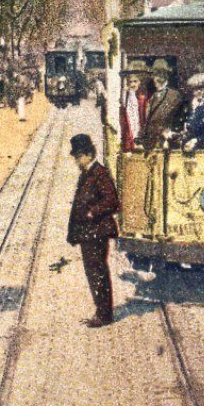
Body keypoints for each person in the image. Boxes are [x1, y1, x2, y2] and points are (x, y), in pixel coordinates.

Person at [66, 133, 120, 328]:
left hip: (97, 231)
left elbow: (113, 201)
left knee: (97, 272)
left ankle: (104, 314)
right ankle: (101, 310)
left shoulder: (100, 173)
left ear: (88, 154)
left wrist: (92, 212)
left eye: (79, 156)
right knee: (93, 272)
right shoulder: (88, 173)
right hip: (88, 233)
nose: (76, 160)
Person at [140, 62, 184, 148]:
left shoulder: (173, 95)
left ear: (164, 76)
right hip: (151, 139)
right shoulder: (154, 96)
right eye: (154, 74)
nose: (154, 78)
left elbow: (167, 116)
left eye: (157, 74)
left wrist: (162, 130)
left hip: (165, 139)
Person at [119, 76, 144, 152]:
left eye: (135, 81)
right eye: (130, 82)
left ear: (139, 82)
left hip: (136, 122)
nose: (133, 84)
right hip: (128, 123)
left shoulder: (139, 95)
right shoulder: (126, 94)